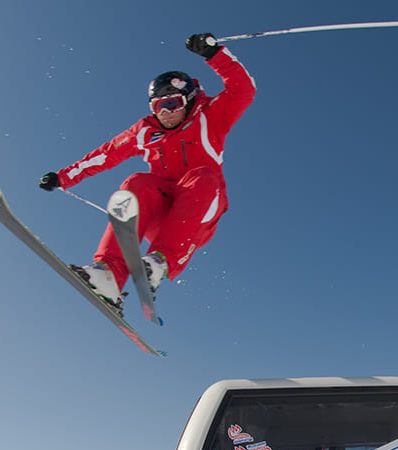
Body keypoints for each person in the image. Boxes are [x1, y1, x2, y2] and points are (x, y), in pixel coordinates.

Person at [38, 33, 256, 313]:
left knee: (202, 177)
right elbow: (107, 153)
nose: (164, 112)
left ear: (188, 100)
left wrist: (215, 55)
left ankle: (159, 263)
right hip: (162, 213)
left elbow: (243, 90)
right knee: (138, 182)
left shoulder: (210, 114)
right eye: (158, 106)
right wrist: (64, 176)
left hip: (198, 213)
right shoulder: (146, 130)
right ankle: (109, 276)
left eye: (172, 104)